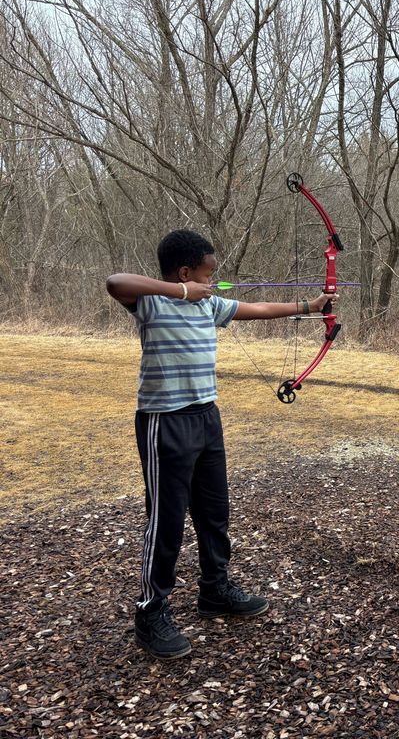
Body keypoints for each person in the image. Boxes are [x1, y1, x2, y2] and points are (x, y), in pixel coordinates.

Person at [106, 229, 337, 659]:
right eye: (207, 276)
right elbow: (115, 282)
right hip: (165, 421)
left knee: (214, 512)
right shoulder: (152, 302)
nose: (212, 283)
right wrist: (181, 291)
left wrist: (309, 306)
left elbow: (261, 307)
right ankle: (150, 612)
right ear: (184, 271)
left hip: (206, 417)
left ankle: (215, 590)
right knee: (167, 520)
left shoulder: (209, 305)